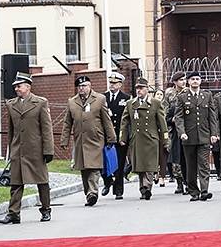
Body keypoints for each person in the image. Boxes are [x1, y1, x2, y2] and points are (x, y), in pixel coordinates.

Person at [0, 72, 54, 224]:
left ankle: (46, 210)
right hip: (18, 151)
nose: (16, 89)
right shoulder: (11, 105)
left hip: (36, 150)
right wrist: (11, 149)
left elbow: (46, 129)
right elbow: (11, 130)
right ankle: (13, 214)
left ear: (28, 87)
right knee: (16, 183)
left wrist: (48, 150)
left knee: (42, 182)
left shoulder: (40, 103)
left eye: (19, 86)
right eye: (15, 86)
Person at [60, 75, 116, 206]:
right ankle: (88, 194)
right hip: (80, 140)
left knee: (94, 168)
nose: (81, 88)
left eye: (84, 86)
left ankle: (93, 192)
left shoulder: (100, 99)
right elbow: (67, 122)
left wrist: (111, 137)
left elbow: (106, 120)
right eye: (79, 86)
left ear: (90, 86)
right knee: (84, 169)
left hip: (96, 139)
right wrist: (64, 140)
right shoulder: (72, 102)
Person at [120, 78, 169, 200]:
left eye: (141, 88)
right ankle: (143, 189)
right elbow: (124, 122)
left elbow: (162, 124)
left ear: (147, 89)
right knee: (140, 166)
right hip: (137, 138)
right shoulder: (131, 104)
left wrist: (165, 140)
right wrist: (123, 137)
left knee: (150, 165)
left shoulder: (155, 103)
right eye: (137, 88)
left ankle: (147, 187)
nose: (139, 90)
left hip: (151, 138)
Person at [173, 70, 219, 201]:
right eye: (192, 79)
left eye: (197, 79)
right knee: (191, 166)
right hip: (189, 137)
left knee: (204, 164)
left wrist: (214, 133)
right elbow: (179, 117)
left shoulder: (207, 95)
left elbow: (212, 116)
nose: (195, 81)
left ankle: (204, 190)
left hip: (204, 136)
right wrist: (182, 132)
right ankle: (193, 190)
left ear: (200, 81)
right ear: (188, 81)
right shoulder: (182, 97)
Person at [102, 71, 130, 199]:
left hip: (120, 136)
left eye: (114, 83)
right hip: (106, 136)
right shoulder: (102, 98)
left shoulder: (126, 98)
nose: (111, 85)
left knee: (119, 162)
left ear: (120, 84)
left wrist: (125, 136)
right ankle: (107, 183)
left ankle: (118, 190)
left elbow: (127, 119)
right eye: (110, 83)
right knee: (105, 162)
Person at [163, 71, 188, 194]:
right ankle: (179, 183)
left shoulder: (188, 92)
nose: (184, 82)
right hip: (173, 130)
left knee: (186, 157)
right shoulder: (169, 93)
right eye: (181, 80)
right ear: (175, 82)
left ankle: (187, 181)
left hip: (186, 129)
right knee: (175, 158)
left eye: (185, 79)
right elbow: (164, 111)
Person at [153, 89, 168, 187]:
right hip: (154, 133)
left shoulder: (166, 106)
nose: (159, 96)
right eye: (157, 94)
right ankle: (156, 173)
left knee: (163, 156)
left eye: (161, 94)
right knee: (154, 156)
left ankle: (162, 177)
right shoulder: (151, 105)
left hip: (164, 133)